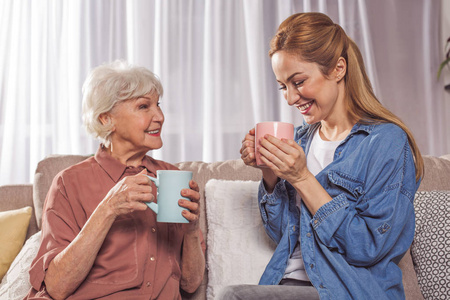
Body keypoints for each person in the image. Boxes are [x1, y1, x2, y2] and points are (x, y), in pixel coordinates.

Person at [233, 12, 424, 300]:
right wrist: (270, 171)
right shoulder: (300, 140)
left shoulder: (386, 142)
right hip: (285, 285)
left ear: (337, 69)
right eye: (283, 86)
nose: (290, 98)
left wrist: (302, 178)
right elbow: (283, 233)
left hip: (345, 290)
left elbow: (370, 246)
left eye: (298, 82)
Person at [26, 60, 205, 300]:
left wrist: (192, 230)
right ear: (105, 119)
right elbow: (57, 287)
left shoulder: (172, 177)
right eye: (143, 106)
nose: (160, 116)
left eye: (158, 105)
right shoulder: (69, 184)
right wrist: (108, 208)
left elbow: (190, 285)